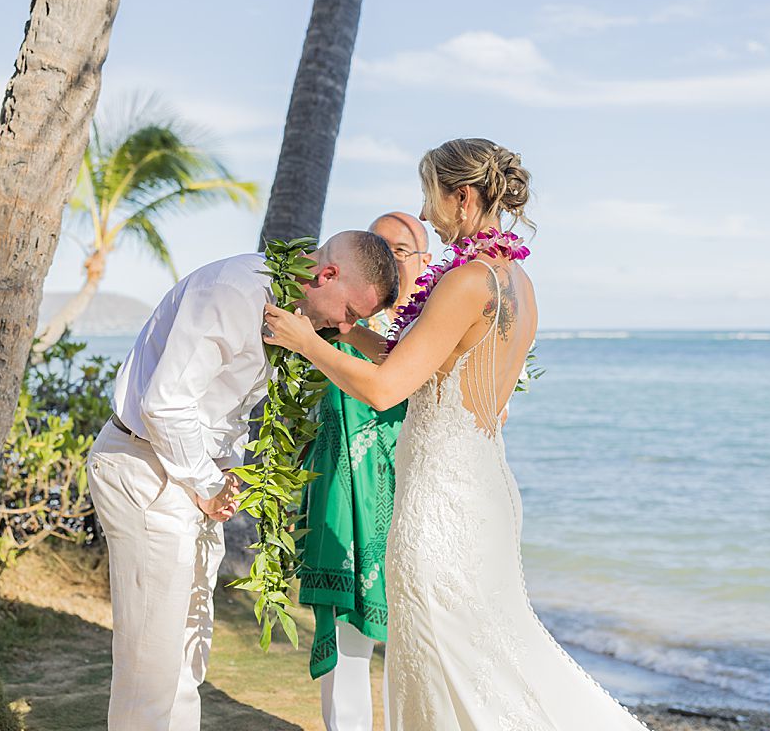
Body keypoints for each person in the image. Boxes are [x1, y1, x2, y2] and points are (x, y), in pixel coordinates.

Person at [263, 139, 653, 730]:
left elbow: (386, 389)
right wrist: (343, 330)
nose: (424, 215)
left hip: (439, 498)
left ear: (463, 197)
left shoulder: (467, 281)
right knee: (484, 651)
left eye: (430, 197)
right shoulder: (518, 283)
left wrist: (305, 342)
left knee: (448, 655)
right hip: (484, 485)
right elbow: (420, 366)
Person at [85, 231, 398, 731]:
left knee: (189, 652)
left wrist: (225, 473)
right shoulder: (234, 292)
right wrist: (210, 485)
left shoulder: (288, 311)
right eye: (351, 312)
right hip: (146, 471)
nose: (348, 325)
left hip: (187, 477)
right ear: (327, 274)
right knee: (153, 662)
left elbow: (219, 407)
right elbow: (164, 404)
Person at [298, 212, 433, 731]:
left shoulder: (433, 332)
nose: (390, 254)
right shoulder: (332, 320)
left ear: (423, 263)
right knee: (350, 638)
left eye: (402, 248)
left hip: (409, 487)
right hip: (343, 487)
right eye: (380, 245)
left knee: (416, 641)